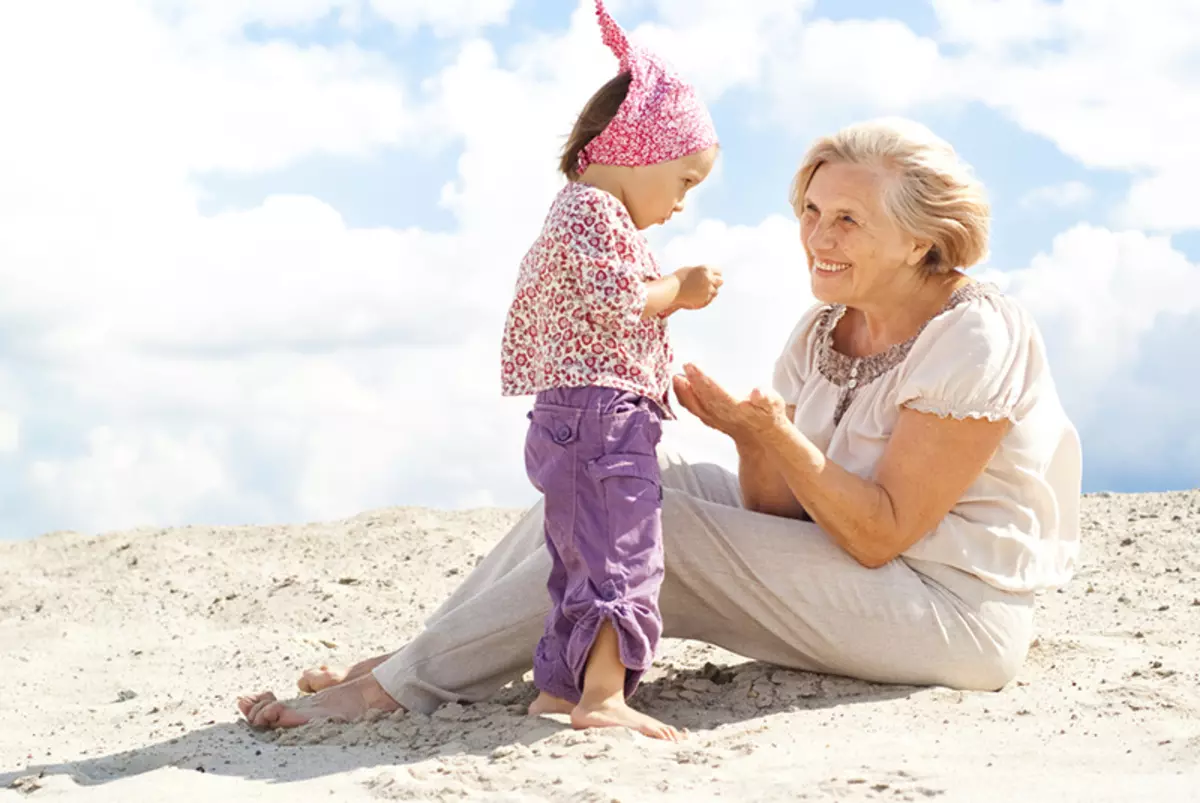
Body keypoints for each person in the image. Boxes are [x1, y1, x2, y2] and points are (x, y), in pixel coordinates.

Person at [237, 116, 1082, 735]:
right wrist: (753, 438)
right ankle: (419, 653)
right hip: (860, 572)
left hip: (954, 613)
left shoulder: (976, 332)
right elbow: (778, 515)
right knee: (629, 467)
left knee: (645, 522)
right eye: (811, 210)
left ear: (922, 238)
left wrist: (776, 434)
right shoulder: (822, 329)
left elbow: (882, 533)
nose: (816, 237)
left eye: (848, 220)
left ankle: (397, 684)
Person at [499, 0, 721, 741]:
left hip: (573, 412)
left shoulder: (578, 209)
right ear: (637, 148)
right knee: (620, 552)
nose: (682, 202)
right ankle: (601, 694)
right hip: (601, 416)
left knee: (576, 553)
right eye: (684, 180)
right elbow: (619, 300)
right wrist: (679, 293)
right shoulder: (596, 209)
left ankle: (559, 688)